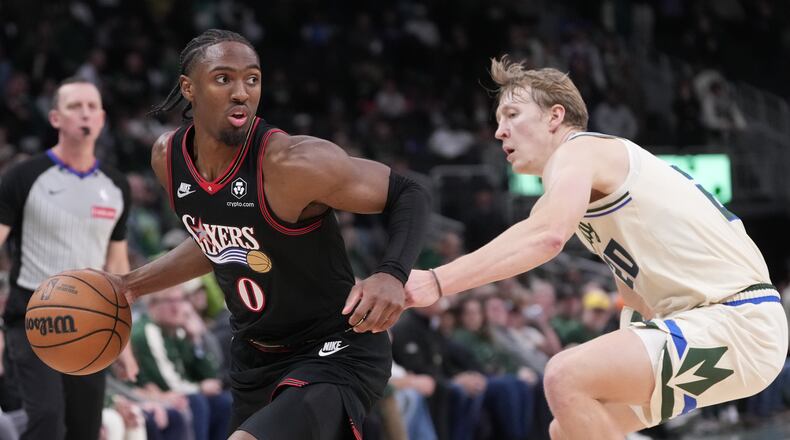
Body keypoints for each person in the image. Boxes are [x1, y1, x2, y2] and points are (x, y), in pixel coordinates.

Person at [404, 56, 788, 439]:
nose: (499, 132)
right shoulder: (593, 180)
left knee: (565, 375)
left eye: (512, 115)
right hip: (728, 326)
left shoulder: (577, 152)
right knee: (565, 428)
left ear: (555, 117)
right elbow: (636, 293)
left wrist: (438, 280)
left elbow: (545, 236)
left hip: (735, 318)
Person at [101, 29, 430, 440]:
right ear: (189, 88)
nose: (241, 92)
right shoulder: (168, 158)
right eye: (223, 78)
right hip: (255, 356)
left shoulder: (292, 163)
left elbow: (408, 192)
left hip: (334, 349)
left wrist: (391, 272)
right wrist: (130, 285)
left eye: (252, 79)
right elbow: (218, 242)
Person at [0, 77, 138, 440]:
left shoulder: (116, 186)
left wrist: (123, 340)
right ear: (55, 118)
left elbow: (119, 269)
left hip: (91, 320)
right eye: (75, 106)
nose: (85, 113)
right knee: (45, 421)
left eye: (92, 106)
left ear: (103, 118)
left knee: (85, 428)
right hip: (32, 317)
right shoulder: (23, 177)